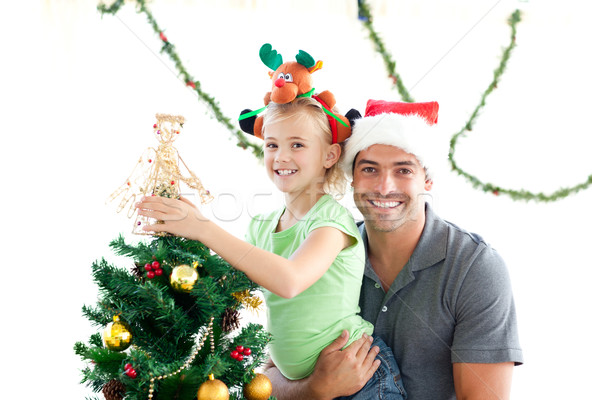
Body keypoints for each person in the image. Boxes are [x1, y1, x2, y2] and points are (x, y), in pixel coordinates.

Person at [135, 97, 406, 399]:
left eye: (297, 145)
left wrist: (203, 227)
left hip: (362, 377)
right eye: (272, 145)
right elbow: (228, 286)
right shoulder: (261, 226)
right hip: (302, 386)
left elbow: (289, 281)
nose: (281, 157)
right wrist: (182, 246)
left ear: (330, 155)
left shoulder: (331, 221)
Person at [263, 99, 523, 400]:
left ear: (427, 179)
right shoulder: (323, 246)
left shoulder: (474, 267)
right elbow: (270, 372)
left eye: (403, 171)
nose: (384, 187)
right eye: (370, 169)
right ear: (351, 177)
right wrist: (313, 389)